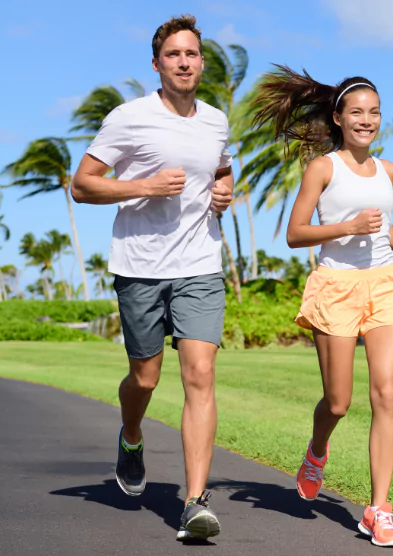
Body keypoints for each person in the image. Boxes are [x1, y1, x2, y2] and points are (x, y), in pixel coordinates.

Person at [71, 14, 232, 542]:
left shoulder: (215, 120)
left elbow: (221, 167)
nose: (184, 62)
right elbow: (83, 185)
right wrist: (144, 186)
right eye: (173, 55)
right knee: (145, 377)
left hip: (200, 265)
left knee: (200, 375)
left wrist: (223, 193)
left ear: (201, 62)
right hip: (140, 267)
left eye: (191, 54)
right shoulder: (129, 118)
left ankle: (195, 502)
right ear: (158, 64)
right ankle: (132, 435)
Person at [250, 65, 393, 548]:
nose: (367, 120)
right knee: (340, 401)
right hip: (336, 288)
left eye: (375, 112)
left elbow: (382, 222)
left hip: (385, 284)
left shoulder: (390, 171)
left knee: (386, 394)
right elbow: (294, 233)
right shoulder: (323, 167)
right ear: (339, 118)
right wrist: (347, 227)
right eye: (357, 112)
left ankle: (378, 510)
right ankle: (317, 449)